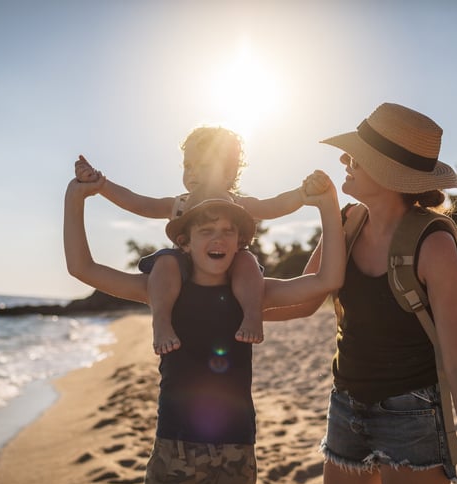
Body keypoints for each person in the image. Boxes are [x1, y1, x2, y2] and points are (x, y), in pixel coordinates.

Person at [63, 169, 345, 484]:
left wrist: (327, 205)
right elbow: (82, 267)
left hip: (236, 452)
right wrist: (76, 196)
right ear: (185, 242)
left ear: (240, 243)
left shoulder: (253, 294)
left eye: (228, 232)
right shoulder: (161, 291)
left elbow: (327, 281)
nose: (218, 238)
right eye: (207, 230)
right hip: (173, 448)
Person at [264, 103, 457, 484]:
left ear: (389, 172)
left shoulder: (434, 244)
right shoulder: (348, 219)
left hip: (414, 413)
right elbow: (303, 299)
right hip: (345, 405)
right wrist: (217, 301)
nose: (343, 160)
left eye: (356, 156)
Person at [75, 126, 331, 355]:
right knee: (165, 261)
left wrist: (303, 193)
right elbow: (138, 203)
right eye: (188, 166)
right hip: (184, 269)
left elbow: (275, 205)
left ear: (229, 173)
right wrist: (101, 185)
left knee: (247, 260)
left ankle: (253, 315)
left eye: (205, 166)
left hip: (229, 268)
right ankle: (161, 321)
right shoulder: (179, 204)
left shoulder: (238, 204)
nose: (193, 173)